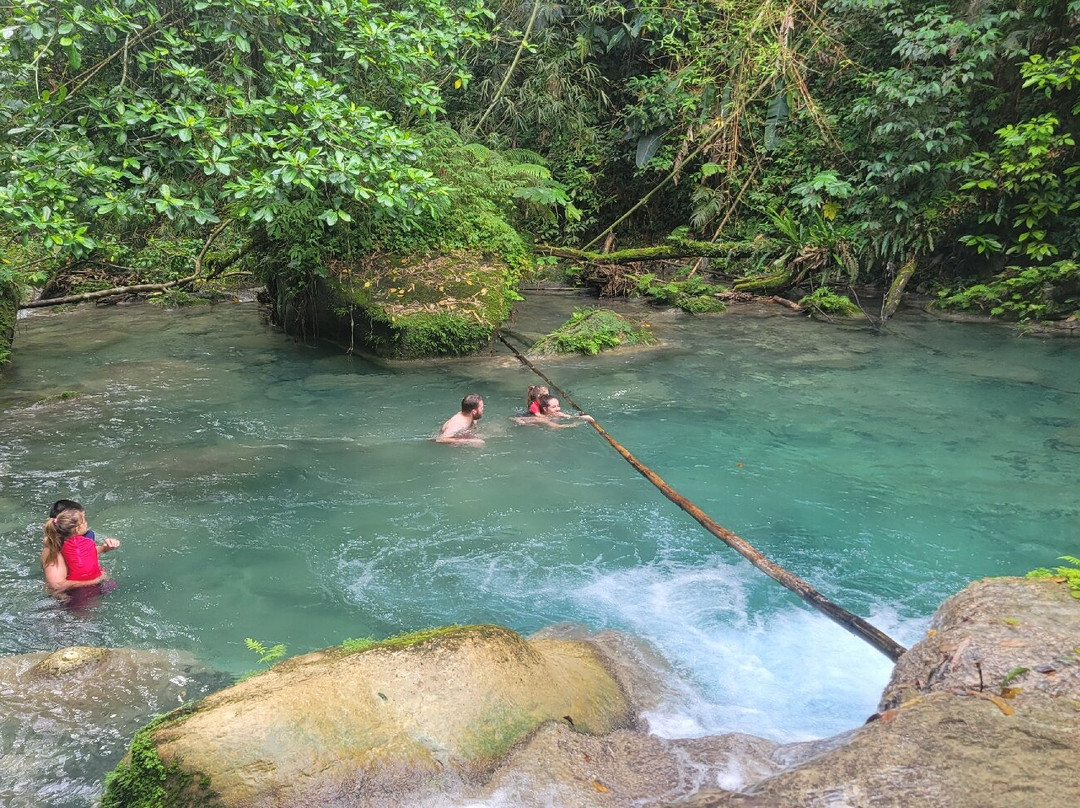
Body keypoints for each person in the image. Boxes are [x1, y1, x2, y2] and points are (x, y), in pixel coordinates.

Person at [40, 505, 120, 594]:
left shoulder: (76, 542)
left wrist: (105, 548)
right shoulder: (53, 550)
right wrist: (96, 580)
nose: (86, 523)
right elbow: (57, 585)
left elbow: (81, 555)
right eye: (84, 521)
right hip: (71, 595)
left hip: (91, 584)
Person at [515, 393, 594, 428]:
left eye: (558, 406)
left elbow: (570, 417)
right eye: (553, 407)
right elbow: (556, 427)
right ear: (545, 409)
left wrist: (583, 418)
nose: (558, 409)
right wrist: (576, 424)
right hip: (519, 421)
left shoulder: (558, 413)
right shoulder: (542, 419)